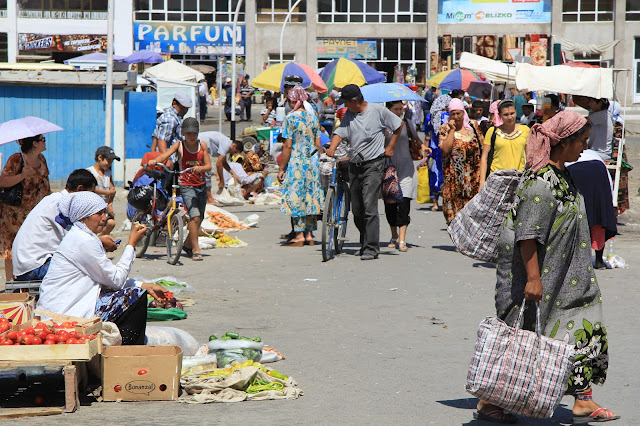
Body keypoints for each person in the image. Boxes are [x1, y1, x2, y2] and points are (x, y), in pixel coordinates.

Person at [477, 111, 619, 424]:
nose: (584, 146)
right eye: (580, 141)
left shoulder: (564, 176)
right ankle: (489, 399)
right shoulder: (541, 184)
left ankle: (583, 400)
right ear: (563, 142)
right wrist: (533, 279)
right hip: (541, 279)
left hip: (572, 278)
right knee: (522, 339)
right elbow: (528, 235)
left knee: (585, 329)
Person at [37, 192, 169, 345]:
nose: (104, 217)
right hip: (66, 314)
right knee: (135, 296)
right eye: (99, 213)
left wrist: (143, 284)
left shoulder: (80, 236)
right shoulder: (84, 241)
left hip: (60, 309)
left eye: (104, 212)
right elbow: (116, 280)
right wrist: (131, 244)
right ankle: (126, 351)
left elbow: (106, 278)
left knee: (134, 291)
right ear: (84, 216)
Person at [327, 84, 402, 260]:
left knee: (369, 206)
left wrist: (390, 146)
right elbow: (340, 133)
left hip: (373, 165)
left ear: (354, 101)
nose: (344, 105)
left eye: (345, 102)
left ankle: (371, 248)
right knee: (358, 210)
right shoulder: (349, 115)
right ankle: (365, 239)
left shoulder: (377, 111)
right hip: (354, 165)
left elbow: (398, 125)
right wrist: (331, 147)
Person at [12, 169, 119, 281]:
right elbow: (74, 245)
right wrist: (100, 242)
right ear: (80, 189)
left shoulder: (54, 199)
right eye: (90, 193)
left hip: (29, 265)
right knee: (89, 270)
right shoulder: (62, 205)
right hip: (35, 267)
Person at [150, 118, 211, 261]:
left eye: (194, 133)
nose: (191, 136)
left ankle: (188, 245)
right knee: (194, 216)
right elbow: (165, 155)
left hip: (201, 185)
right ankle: (196, 249)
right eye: (188, 133)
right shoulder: (179, 145)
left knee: (199, 219)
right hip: (186, 185)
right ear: (183, 133)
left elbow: (208, 166)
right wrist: (155, 161)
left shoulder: (202, 146)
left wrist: (200, 168)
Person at [277, 86, 324, 246]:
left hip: (297, 162)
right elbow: (319, 144)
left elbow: (287, 146)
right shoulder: (313, 117)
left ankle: (299, 235)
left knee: (296, 197)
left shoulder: (290, 118)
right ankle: (309, 234)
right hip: (312, 162)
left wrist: (282, 168)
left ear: (292, 101)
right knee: (310, 196)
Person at [0, 134, 51, 281]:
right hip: (14, 214)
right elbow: (2, 181)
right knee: (12, 246)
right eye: (43, 140)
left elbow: (45, 182)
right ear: (34, 143)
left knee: (32, 245)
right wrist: (22, 175)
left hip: (35, 211)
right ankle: (10, 282)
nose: (45, 142)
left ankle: (27, 279)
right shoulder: (16, 159)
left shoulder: (42, 159)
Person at [567, 149, 617, 269]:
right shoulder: (594, 154)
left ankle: (577, 259)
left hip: (574, 170)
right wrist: (608, 205)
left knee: (579, 214)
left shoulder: (565, 153)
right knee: (598, 217)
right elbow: (609, 185)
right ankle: (599, 260)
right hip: (597, 170)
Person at [439, 98, 483, 225]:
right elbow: (445, 150)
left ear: (463, 112)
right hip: (453, 180)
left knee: (472, 216)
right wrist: (452, 130)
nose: (456, 116)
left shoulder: (473, 126)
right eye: (453, 114)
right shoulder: (445, 129)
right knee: (454, 216)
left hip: (472, 179)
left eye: (458, 113)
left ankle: (467, 244)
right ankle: (459, 244)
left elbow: (482, 148)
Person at [384, 101, 419, 252]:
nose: (399, 112)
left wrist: (424, 147)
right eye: (395, 109)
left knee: (404, 202)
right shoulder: (382, 125)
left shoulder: (407, 123)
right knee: (390, 203)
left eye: (400, 109)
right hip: (388, 168)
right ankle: (394, 235)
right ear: (388, 110)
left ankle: (402, 239)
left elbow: (417, 140)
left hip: (406, 167)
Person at [479, 99, 530, 189]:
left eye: (512, 113)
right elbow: (484, 157)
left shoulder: (525, 130)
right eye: (505, 115)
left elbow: (530, 157)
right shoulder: (492, 131)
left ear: (516, 112)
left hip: (518, 179)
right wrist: (482, 182)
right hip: (496, 180)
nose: (509, 117)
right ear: (499, 115)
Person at [425, 95, 451, 211]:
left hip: (432, 151)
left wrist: (425, 154)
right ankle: (446, 201)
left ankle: (435, 203)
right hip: (445, 151)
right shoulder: (448, 117)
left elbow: (427, 136)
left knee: (432, 175)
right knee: (446, 176)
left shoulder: (429, 117)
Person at [198, 131, 243, 199]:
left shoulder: (226, 143)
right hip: (199, 144)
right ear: (234, 146)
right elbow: (219, 164)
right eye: (235, 152)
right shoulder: (226, 145)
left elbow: (224, 163)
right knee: (206, 172)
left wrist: (234, 174)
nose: (233, 154)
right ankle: (209, 199)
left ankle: (206, 197)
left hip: (201, 146)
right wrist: (222, 181)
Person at [87, 146, 120, 236]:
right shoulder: (90, 172)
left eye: (111, 162)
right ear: (100, 158)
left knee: (111, 223)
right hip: (93, 208)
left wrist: (110, 204)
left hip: (104, 207)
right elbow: (90, 189)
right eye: (108, 161)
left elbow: (112, 189)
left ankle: (99, 239)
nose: (109, 164)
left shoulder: (107, 173)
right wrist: (107, 193)